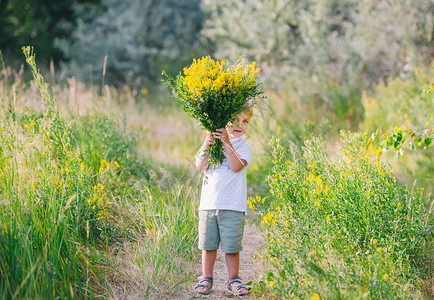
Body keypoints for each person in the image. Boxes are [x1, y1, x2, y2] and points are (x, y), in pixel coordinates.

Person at [193, 108, 253, 296]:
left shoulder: (244, 146)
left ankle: (233, 279)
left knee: (231, 246)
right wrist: (207, 143)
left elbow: (236, 166)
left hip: (233, 205)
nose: (240, 125)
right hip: (209, 204)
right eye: (235, 120)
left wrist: (227, 141)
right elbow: (201, 166)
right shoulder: (212, 144)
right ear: (223, 121)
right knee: (208, 245)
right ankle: (206, 277)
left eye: (245, 121)